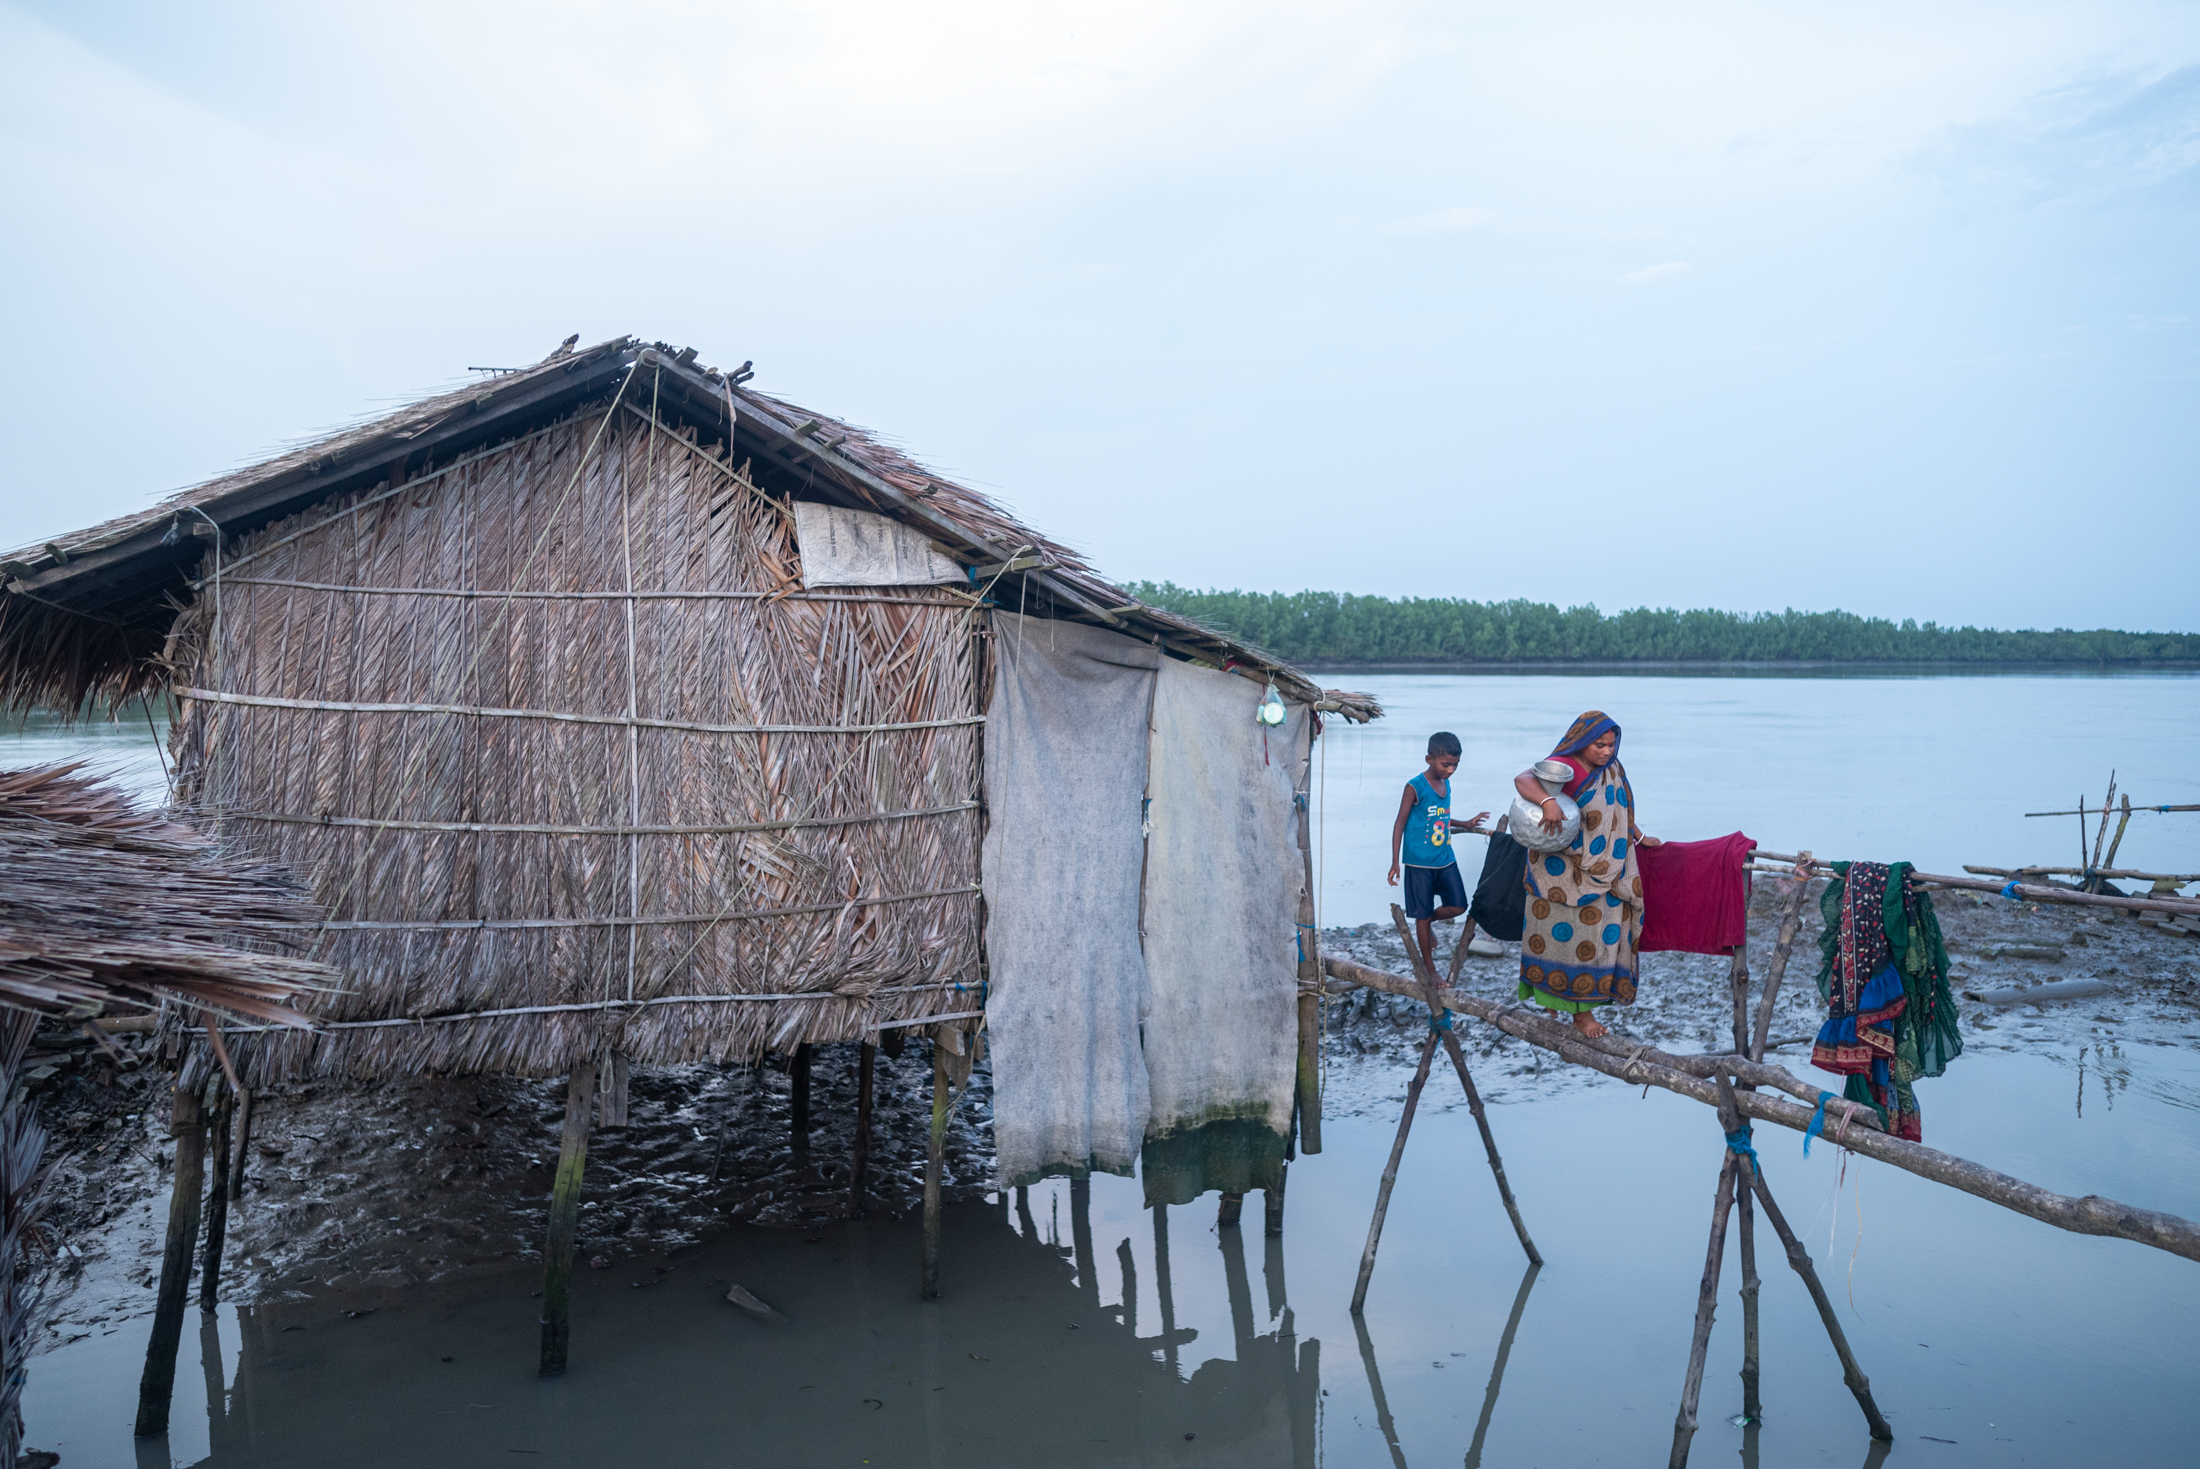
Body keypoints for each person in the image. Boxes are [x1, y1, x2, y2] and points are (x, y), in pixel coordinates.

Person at [1510, 711, 1661, 1039]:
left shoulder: (1610, 770)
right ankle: (1580, 1016)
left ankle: (1563, 1002)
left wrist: (1638, 835)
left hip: (1605, 869)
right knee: (1561, 940)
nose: (1607, 751)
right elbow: (1523, 780)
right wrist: (1548, 801)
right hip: (1560, 873)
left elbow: (1617, 813)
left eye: (1611, 745)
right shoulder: (1564, 766)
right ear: (1580, 742)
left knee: (1596, 941)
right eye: (1599, 745)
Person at [1387, 731, 1491, 975]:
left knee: (1458, 906)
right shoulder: (1414, 787)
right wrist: (1395, 862)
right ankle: (1429, 968)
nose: (1451, 770)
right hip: (1419, 862)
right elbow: (1400, 822)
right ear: (1428, 759)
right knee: (1420, 913)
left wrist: (1465, 823)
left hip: (1445, 859)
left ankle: (1427, 922)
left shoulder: (1446, 783)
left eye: (1455, 765)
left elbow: (1438, 815)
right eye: (1446, 764)